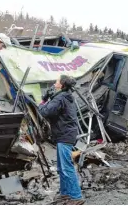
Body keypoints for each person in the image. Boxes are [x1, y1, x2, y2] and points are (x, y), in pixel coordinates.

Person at [39, 75, 85, 205]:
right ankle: (65, 194)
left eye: (57, 82)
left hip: (65, 136)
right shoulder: (65, 96)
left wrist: (43, 100)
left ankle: (76, 196)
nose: (54, 83)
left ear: (62, 85)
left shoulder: (60, 98)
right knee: (61, 168)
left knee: (66, 168)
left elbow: (46, 112)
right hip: (64, 135)